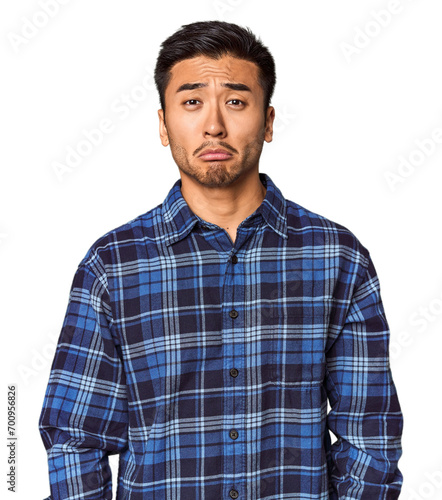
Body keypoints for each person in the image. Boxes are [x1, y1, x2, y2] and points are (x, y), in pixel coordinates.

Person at [39, 20, 403, 499]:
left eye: (236, 101)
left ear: (268, 121)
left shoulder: (337, 257)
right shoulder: (113, 264)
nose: (214, 124)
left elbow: (369, 434)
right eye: (191, 102)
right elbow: (75, 439)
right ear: (164, 125)